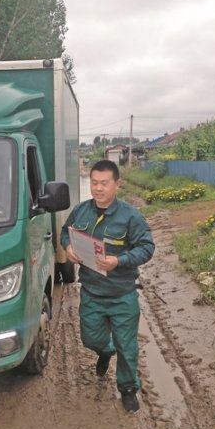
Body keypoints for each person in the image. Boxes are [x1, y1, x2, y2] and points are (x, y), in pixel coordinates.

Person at [60, 160, 155, 413]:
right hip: (91, 292)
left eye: (104, 183)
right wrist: (68, 247)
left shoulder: (131, 216)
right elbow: (65, 232)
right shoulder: (81, 211)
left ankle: (128, 388)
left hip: (122, 293)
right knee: (90, 338)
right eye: (94, 183)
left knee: (127, 346)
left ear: (117, 184)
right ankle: (105, 351)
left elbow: (147, 248)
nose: (98, 188)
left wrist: (118, 261)